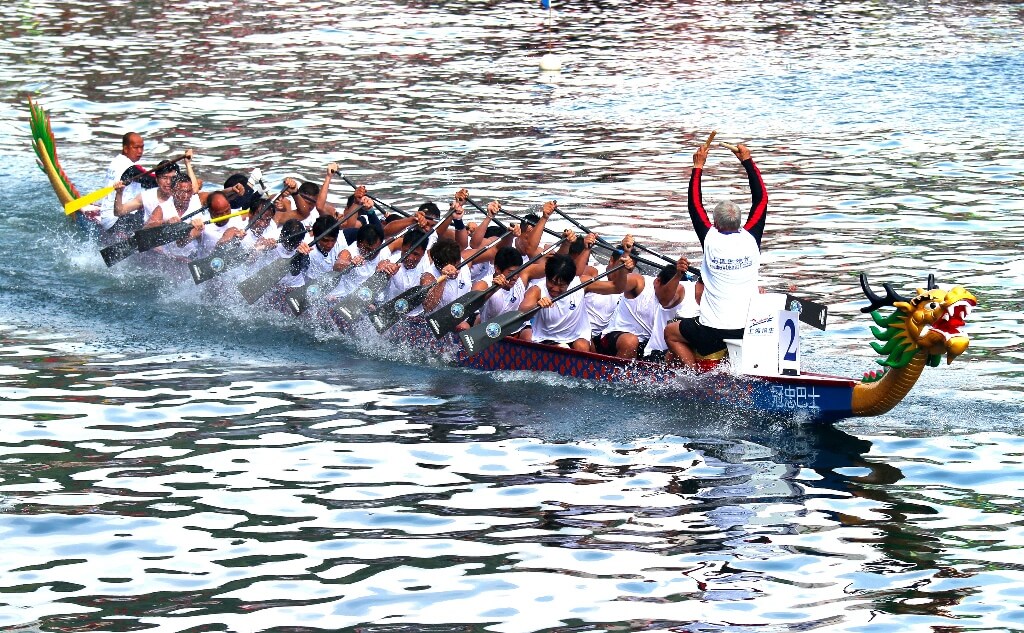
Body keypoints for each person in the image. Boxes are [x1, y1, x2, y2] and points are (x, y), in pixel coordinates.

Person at [664, 142, 766, 367]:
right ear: (739, 222)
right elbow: (761, 199)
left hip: (711, 331)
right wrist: (747, 161)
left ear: (716, 223)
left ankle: (694, 379)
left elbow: (694, 204)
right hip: (748, 328)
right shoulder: (752, 238)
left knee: (670, 332)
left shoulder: (710, 238)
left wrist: (697, 166)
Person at [515, 251, 633, 352]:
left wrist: (623, 271)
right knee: (561, 348)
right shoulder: (537, 290)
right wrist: (537, 305)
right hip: (545, 339)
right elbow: (521, 312)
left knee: (581, 346)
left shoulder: (581, 284)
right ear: (546, 276)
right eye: (552, 283)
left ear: (570, 281)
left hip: (577, 338)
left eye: (561, 285)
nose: (555, 288)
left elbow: (617, 288)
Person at [96, 132, 146, 233]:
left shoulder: (116, 161)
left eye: (142, 147)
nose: (140, 151)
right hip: (117, 219)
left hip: (107, 217)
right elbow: (155, 180)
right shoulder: (130, 167)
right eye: (136, 147)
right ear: (126, 149)